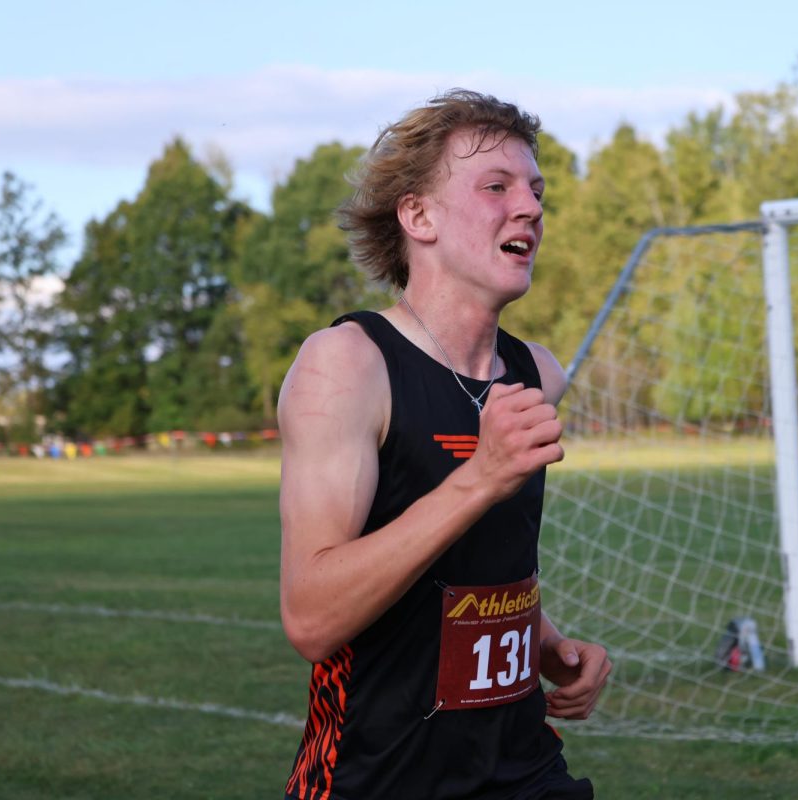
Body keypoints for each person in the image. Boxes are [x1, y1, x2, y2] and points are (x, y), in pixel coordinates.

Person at [278, 89, 612, 800]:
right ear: (418, 215)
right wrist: (478, 477)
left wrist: (547, 644)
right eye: (497, 186)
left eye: (535, 189)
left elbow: (466, 572)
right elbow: (311, 616)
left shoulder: (536, 374)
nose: (530, 207)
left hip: (525, 769)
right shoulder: (348, 365)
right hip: (378, 777)